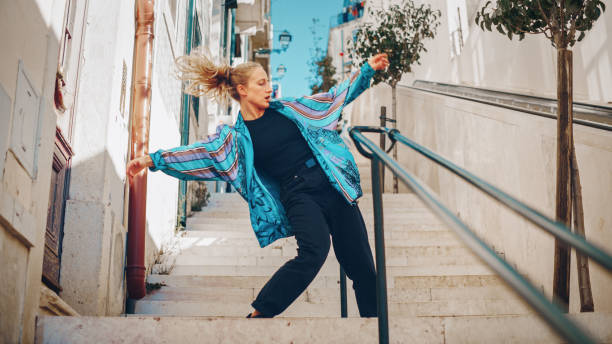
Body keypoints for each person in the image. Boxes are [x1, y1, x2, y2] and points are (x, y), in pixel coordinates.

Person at [127, 51, 390, 318]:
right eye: (261, 83)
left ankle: (375, 326)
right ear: (242, 90)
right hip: (298, 195)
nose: (268, 88)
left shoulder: (289, 110)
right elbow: (203, 154)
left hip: (331, 185)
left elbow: (332, 99)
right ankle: (261, 313)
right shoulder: (237, 139)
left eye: (267, 82)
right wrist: (153, 160)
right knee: (313, 252)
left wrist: (366, 70)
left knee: (362, 264)